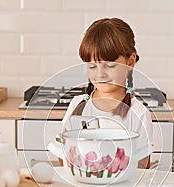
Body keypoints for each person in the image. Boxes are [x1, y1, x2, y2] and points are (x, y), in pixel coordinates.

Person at [62, 17, 153, 169]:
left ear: (130, 62)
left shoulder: (138, 113)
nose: (100, 74)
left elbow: (143, 167)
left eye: (110, 65)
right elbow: (65, 156)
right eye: (92, 66)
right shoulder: (77, 106)